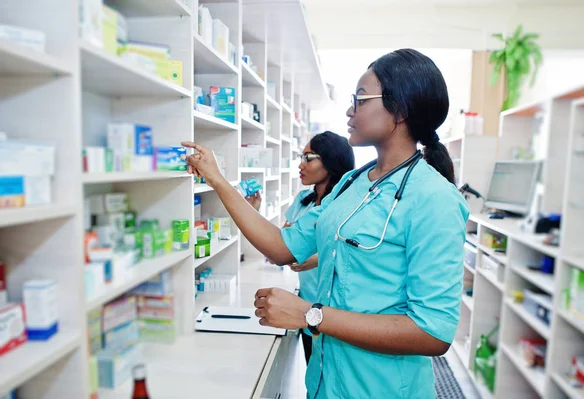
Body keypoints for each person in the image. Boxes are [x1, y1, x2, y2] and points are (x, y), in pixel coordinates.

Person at [181, 48, 469, 399]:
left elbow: (433, 333)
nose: (350, 110)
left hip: (381, 389)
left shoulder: (433, 199)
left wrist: (311, 315)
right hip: (324, 383)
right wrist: (219, 181)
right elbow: (283, 247)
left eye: (360, 99)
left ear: (400, 109)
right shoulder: (352, 184)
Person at [245, 131, 355, 365]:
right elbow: (279, 249)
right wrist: (253, 212)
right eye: (301, 157)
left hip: (337, 311)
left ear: (331, 161)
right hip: (305, 305)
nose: (301, 164)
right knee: (314, 371)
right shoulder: (303, 200)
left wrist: (317, 257)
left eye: (309, 157)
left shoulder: (344, 205)